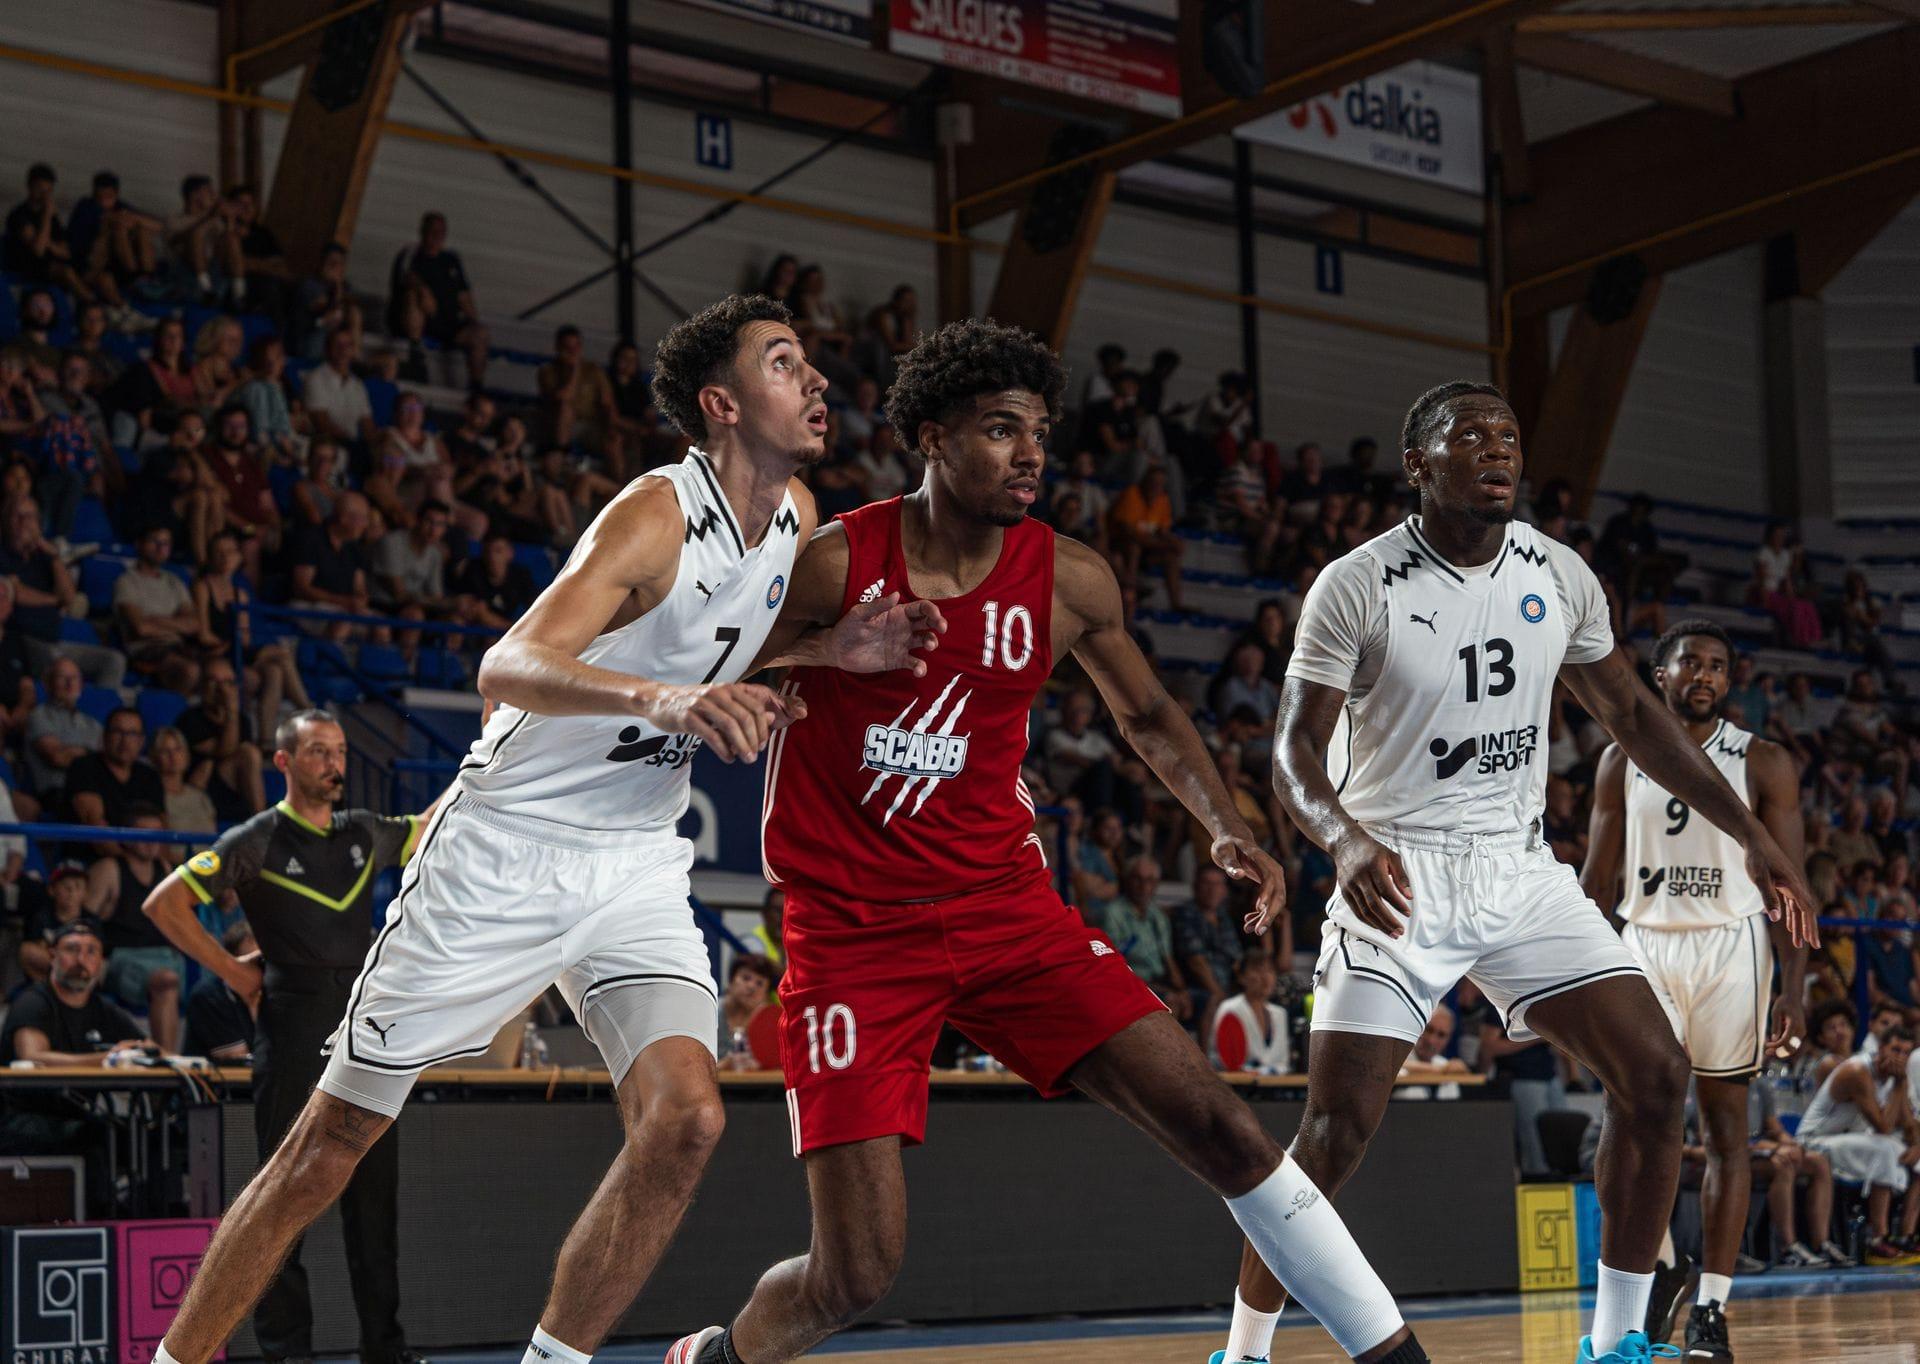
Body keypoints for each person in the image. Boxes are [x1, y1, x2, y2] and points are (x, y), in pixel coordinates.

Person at [145, 294, 936, 1364]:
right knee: (329, 1143)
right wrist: (663, 705)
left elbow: (712, 650)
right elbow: (506, 666)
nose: (819, 382)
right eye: (786, 363)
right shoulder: (653, 513)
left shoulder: (795, 513)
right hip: (505, 849)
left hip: (637, 862)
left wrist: (830, 655)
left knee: (687, 1118)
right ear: (722, 404)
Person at [679, 317, 1428, 1364]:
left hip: (1005, 913)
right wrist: (828, 651)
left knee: (1227, 1128)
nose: (1030, 453)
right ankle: (715, 1358)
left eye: (1039, 432)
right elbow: (707, 679)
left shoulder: (1070, 580)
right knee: (855, 1272)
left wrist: (1226, 828)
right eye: (999, 429)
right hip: (850, 931)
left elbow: (1154, 716)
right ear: (931, 436)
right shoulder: (834, 560)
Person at [1211, 380, 1814, 1364]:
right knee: (1334, 1130)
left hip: (1520, 873)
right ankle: (1242, 1349)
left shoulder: (1560, 572)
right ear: (1418, 463)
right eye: (1470, 435)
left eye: (1509, 436)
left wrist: (1747, 830)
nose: (1497, 449)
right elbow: (1291, 756)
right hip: (1398, 876)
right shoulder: (1356, 583)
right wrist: (1345, 839)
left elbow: (1632, 715)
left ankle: (1617, 1341)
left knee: (1657, 1076)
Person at [143, 711, 433, 1364]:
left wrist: (486, 740)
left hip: (364, 1031)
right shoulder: (258, 839)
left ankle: (386, 1353)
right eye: (319, 753)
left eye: (340, 753)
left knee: (373, 1210)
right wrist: (231, 973)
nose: (335, 765)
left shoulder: (363, 830)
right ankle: (286, 1354)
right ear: (285, 763)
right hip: (291, 1023)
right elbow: (163, 903)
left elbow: (431, 824)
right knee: (281, 1207)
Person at [1581, 619, 1809, 1358]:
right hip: (1643, 940)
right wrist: (1570, 965)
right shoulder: (1620, 761)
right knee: (1628, 1121)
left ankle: (1711, 1306)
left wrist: (1795, 989)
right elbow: (1596, 879)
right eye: (1691, 664)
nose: (1704, 675)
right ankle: (1662, 1267)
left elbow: (1792, 888)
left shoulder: (1764, 761)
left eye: (1717, 666)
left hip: (1729, 947)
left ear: (1728, 682)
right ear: (1661, 674)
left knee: (1723, 1131)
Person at [0, 922, 158, 1213]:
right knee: (98, 1137)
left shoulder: (102, 1008)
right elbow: (33, 1055)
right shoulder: (33, 1002)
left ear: (100, 962)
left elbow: (147, 1046)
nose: (81, 960)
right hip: (23, 1117)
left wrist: (141, 1052)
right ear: (52, 956)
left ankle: (158, 1221)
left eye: (91, 952)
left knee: (153, 1135)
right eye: (72, 950)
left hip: (80, 1113)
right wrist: (107, 1058)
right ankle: (102, 1223)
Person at [1793, 1027, 1920, 1264]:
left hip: (1845, 1140)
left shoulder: (1893, 1077)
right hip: (1812, 1141)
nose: (1899, 1057)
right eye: (1895, 1049)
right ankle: (1877, 1239)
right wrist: (1901, 1084)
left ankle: (1903, 1236)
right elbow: (1884, 1126)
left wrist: (1916, 1145)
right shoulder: (1857, 1071)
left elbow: (1909, 1124)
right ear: (1880, 1048)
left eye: (1905, 1052)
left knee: (1900, 1150)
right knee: (1886, 1148)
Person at [86, 803, 182, 1051]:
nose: (151, 842)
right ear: (125, 837)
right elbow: (85, 921)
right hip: (123, 957)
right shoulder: (109, 869)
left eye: (157, 835)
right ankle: (167, 1064)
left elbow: (174, 918)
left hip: (164, 956)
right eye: (143, 834)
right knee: (166, 980)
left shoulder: (165, 868)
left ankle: (168, 1064)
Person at [387, 211, 490, 388]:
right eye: (433, 230)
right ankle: (416, 356)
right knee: (413, 296)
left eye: (441, 231)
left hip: (447, 323)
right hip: (416, 320)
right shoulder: (411, 255)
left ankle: (476, 386)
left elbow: (464, 295)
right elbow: (407, 279)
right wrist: (424, 290)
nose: (437, 236)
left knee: (480, 333)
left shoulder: (451, 260)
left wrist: (473, 321)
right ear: (423, 231)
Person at [114, 525, 207, 691]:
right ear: (139, 544)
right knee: (189, 670)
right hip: (145, 649)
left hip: (178, 646)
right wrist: (177, 625)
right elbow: (141, 629)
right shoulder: (127, 582)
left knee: (221, 670)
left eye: (166, 543)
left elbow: (194, 625)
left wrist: (155, 620)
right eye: (154, 541)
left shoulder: (174, 581)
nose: (161, 548)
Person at [180, 920, 259, 1062]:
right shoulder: (209, 996)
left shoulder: (272, 995)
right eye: (253, 964)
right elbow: (241, 1059)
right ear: (232, 963)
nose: (260, 972)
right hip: (218, 1082)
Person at [1208, 951, 1290, 1073]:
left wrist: (1268, 1071)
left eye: (1270, 971)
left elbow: (1283, 1062)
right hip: (1238, 1085)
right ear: (1241, 977)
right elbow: (1221, 1059)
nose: (1265, 977)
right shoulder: (1230, 1009)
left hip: (1275, 1086)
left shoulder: (1280, 1013)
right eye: (1257, 970)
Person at [718, 953, 777, 1069]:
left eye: (759, 983)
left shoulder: (770, 1024)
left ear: (765, 995)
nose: (751, 986)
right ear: (730, 982)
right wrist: (724, 1066)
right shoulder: (709, 1012)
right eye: (746, 978)